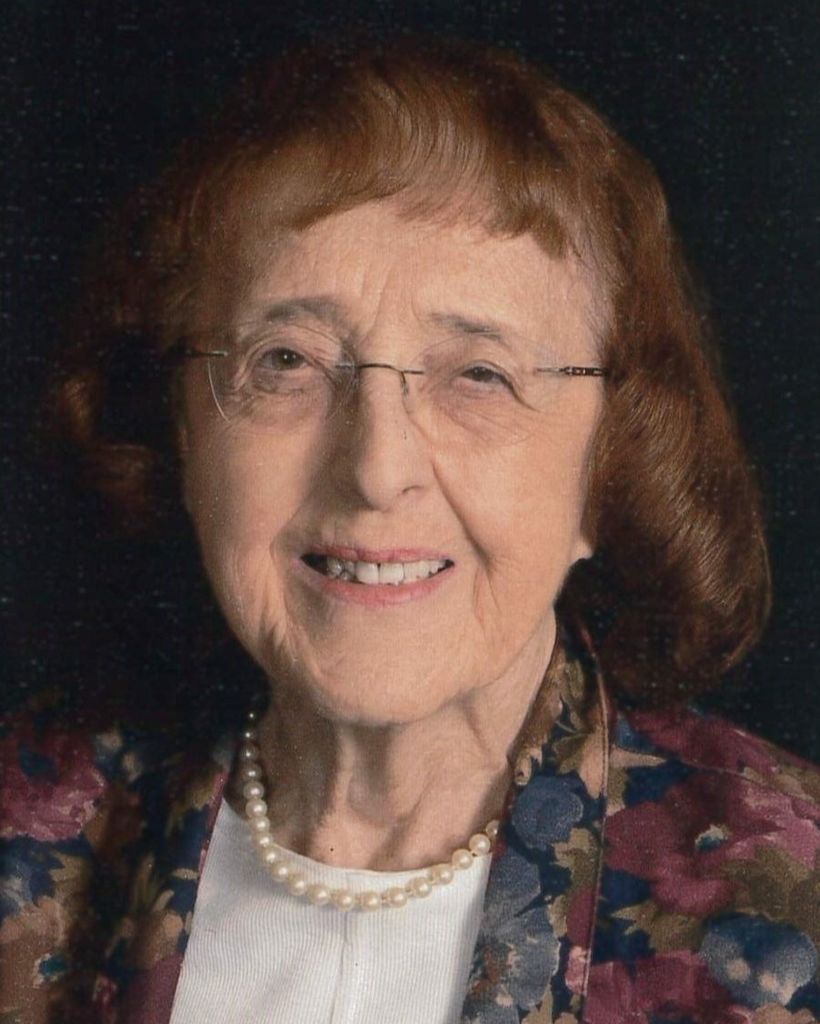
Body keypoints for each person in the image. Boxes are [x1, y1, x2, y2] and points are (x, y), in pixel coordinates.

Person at [1, 37, 819, 1024]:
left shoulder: (794, 905)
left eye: (479, 374)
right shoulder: (26, 828)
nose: (376, 468)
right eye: (287, 361)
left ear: (608, 467)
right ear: (182, 430)